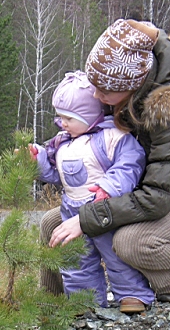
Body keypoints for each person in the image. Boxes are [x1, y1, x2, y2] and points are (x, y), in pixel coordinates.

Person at [42, 19, 170, 302]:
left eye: (104, 90)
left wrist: (87, 219)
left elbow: (156, 198)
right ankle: (53, 302)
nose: (96, 96)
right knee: (53, 223)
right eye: (95, 86)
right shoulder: (123, 97)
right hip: (145, 192)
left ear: (131, 85)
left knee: (130, 242)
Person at [33, 70, 155, 313]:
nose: (63, 123)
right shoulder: (62, 143)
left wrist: (109, 186)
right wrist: (39, 162)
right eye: (60, 117)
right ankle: (84, 302)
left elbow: (130, 164)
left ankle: (132, 295)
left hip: (105, 209)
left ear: (89, 114)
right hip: (71, 211)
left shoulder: (112, 137)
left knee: (116, 255)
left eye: (69, 118)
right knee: (76, 260)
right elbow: (57, 176)